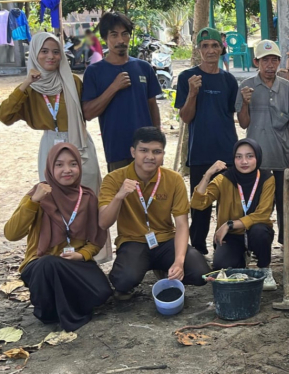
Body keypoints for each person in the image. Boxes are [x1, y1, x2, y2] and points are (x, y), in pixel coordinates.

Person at [4, 143, 112, 331]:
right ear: (50, 168)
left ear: (80, 166)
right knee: (49, 263)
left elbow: (96, 240)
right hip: (39, 266)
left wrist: (82, 255)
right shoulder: (37, 194)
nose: (67, 170)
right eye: (59, 165)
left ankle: (61, 304)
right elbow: (12, 234)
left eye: (73, 164)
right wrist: (34, 202)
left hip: (74, 263)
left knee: (102, 292)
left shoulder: (87, 197)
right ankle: (53, 311)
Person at [99, 127, 210, 299]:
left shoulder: (173, 179)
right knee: (123, 281)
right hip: (133, 240)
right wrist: (119, 197)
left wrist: (179, 261)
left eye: (156, 152)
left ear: (163, 154)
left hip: (166, 241)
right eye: (144, 150)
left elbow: (181, 223)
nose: (150, 157)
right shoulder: (114, 179)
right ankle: (143, 270)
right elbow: (104, 223)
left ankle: (167, 268)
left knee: (200, 274)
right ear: (133, 152)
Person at [0, 32, 102, 194]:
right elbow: (4, 115)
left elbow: (88, 111)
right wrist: (26, 83)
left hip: (79, 140)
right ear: (35, 54)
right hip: (50, 143)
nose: (51, 56)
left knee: (87, 188)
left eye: (56, 52)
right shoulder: (30, 89)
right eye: (44, 51)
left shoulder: (72, 81)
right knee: (54, 195)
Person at [176, 27, 239, 255]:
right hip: (200, 152)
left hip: (227, 151)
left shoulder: (229, 80)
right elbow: (185, 117)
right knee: (200, 206)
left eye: (214, 45)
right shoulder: (187, 78)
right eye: (205, 46)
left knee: (228, 205)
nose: (210, 50)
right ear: (199, 50)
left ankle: (225, 249)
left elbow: (232, 114)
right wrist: (192, 93)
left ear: (222, 48)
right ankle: (198, 251)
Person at [191, 139, 277, 290]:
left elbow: (263, 214)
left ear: (258, 157)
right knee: (221, 266)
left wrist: (230, 224)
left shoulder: (267, 178)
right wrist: (208, 173)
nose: (244, 161)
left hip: (254, 232)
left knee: (260, 231)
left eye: (250, 156)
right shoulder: (224, 178)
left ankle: (264, 269)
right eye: (239, 157)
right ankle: (241, 260)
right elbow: (198, 204)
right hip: (231, 236)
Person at [82, 12, 162, 172]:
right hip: (117, 151)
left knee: (152, 195)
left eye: (125, 34)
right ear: (105, 38)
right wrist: (113, 87)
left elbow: (152, 106)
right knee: (122, 195)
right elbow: (88, 113)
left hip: (147, 151)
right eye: (114, 35)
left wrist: (157, 142)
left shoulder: (144, 67)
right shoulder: (94, 72)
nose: (121, 40)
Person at [236, 40, 289, 245]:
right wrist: (245, 102)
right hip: (255, 160)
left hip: (281, 156)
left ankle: (286, 245)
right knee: (256, 204)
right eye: (265, 60)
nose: (270, 65)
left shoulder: (287, 87)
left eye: (274, 60)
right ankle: (256, 245)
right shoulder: (246, 86)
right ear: (256, 62)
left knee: (284, 204)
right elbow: (244, 123)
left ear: (279, 62)